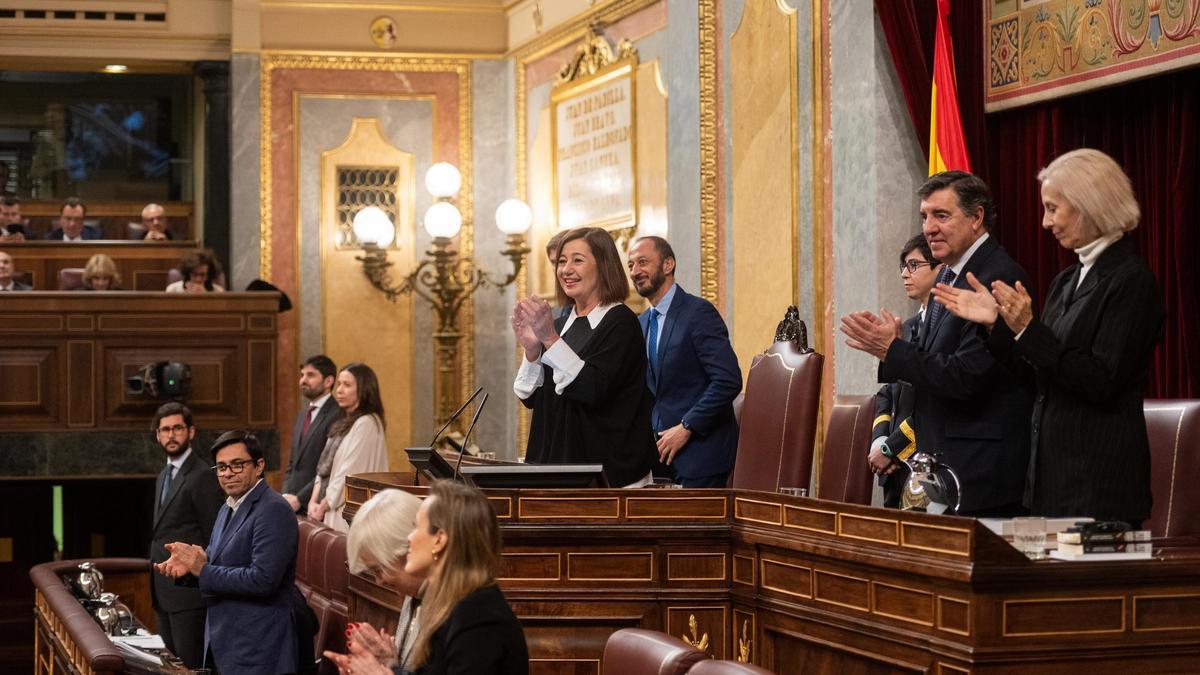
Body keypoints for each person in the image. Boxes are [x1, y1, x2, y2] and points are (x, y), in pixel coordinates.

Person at [932, 149, 1164, 526]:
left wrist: (1027, 329)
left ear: (1089, 204)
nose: (1045, 222)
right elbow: (1038, 377)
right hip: (1051, 485)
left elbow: (1100, 380)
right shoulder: (1065, 281)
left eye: (1053, 209)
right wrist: (998, 326)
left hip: (1099, 491)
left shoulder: (1131, 280)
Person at [840, 171, 1034, 517]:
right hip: (943, 470)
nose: (929, 227)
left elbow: (966, 377)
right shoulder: (946, 272)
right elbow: (933, 365)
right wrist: (898, 348)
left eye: (941, 215)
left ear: (976, 217)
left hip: (980, 475)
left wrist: (893, 351)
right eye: (925, 216)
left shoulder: (996, 276)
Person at [328, 480, 528, 675]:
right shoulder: (454, 603)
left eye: (417, 527)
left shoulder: (477, 615)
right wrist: (389, 664)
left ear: (439, 540)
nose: (409, 538)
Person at [155, 430, 312, 674]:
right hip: (227, 645)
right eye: (221, 467)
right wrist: (191, 568)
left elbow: (263, 580)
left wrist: (202, 569)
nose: (228, 473)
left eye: (237, 465)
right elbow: (220, 563)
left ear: (259, 466)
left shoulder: (273, 510)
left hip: (258, 651)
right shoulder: (228, 507)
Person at [512, 226, 657, 488]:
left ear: (603, 266)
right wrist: (533, 351)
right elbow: (532, 398)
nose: (566, 270)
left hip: (607, 476)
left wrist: (550, 340)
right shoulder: (561, 323)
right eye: (561, 261)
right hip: (557, 471)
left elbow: (591, 388)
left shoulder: (621, 322)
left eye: (577, 260)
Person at [627, 236, 742, 487]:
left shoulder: (698, 312)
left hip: (702, 455)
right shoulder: (642, 322)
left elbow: (728, 380)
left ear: (668, 264)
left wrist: (686, 426)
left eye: (643, 262)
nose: (635, 272)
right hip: (658, 460)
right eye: (631, 266)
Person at [146, 402, 225, 669]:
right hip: (163, 590)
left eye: (177, 428)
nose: (171, 435)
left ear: (191, 432)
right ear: (158, 435)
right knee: (171, 667)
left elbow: (213, 534)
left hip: (189, 593)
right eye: (165, 430)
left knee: (191, 667)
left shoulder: (202, 474)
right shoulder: (162, 476)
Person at [868, 235, 943, 508]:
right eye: (903, 266)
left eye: (913, 265)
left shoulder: (944, 329)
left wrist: (892, 448)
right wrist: (879, 441)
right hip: (895, 471)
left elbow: (931, 399)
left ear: (939, 268)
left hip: (925, 463)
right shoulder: (908, 327)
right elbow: (888, 394)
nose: (904, 274)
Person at [322, 489, 426, 673]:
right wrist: (389, 662)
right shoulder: (414, 596)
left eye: (379, 569)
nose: (379, 581)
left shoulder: (464, 610)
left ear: (409, 549)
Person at [308, 362, 389, 532]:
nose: (339, 390)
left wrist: (322, 506)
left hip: (347, 512)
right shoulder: (343, 423)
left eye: (347, 385)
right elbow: (323, 469)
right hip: (330, 506)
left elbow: (348, 472)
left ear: (364, 389)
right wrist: (312, 502)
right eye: (339, 384)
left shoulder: (367, 423)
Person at [282, 355, 341, 515]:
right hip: (292, 504)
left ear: (328, 381)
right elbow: (293, 464)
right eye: (302, 375)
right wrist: (286, 495)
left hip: (315, 507)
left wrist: (300, 499)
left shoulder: (338, 414)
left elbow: (329, 467)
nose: (303, 380)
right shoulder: (302, 415)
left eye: (310, 375)